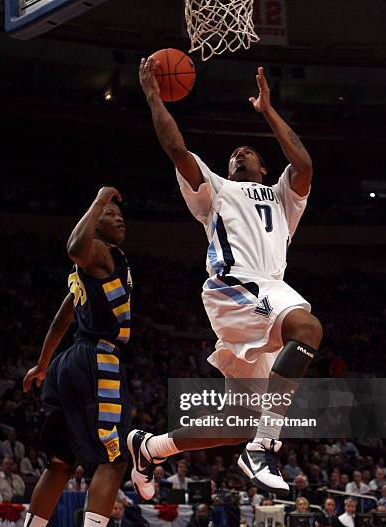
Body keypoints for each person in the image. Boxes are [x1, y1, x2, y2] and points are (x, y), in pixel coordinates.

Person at [128, 57, 321, 501]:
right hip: (236, 288)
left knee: (237, 420)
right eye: (235, 153)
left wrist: (268, 112)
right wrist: (153, 95)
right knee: (308, 327)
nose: (239, 153)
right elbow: (177, 149)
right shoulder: (214, 188)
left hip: (266, 296)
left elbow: (305, 164)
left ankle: (151, 447)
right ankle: (264, 446)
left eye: (248, 152)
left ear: (265, 169)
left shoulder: (283, 198)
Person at [0, 187, 132, 527]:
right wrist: (97, 199)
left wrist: (41, 363)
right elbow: (75, 246)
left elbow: (63, 315)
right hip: (98, 359)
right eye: (110, 216)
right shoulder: (99, 255)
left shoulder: (85, 277)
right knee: (113, 458)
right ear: (96, 226)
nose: (119, 219)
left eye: (117, 215)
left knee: (60, 463)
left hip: (66, 364)